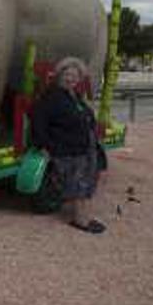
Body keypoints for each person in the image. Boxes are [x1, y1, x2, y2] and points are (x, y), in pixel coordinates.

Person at [31, 57, 106, 234]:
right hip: (67, 149)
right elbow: (38, 120)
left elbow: (86, 115)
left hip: (83, 146)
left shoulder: (74, 96)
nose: (70, 79)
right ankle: (80, 220)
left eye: (75, 75)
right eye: (67, 74)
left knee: (86, 181)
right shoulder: (52, 96)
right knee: (77, 184)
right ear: (59, 75)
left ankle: (82, 214)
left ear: (79, 79)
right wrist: (44, 146)